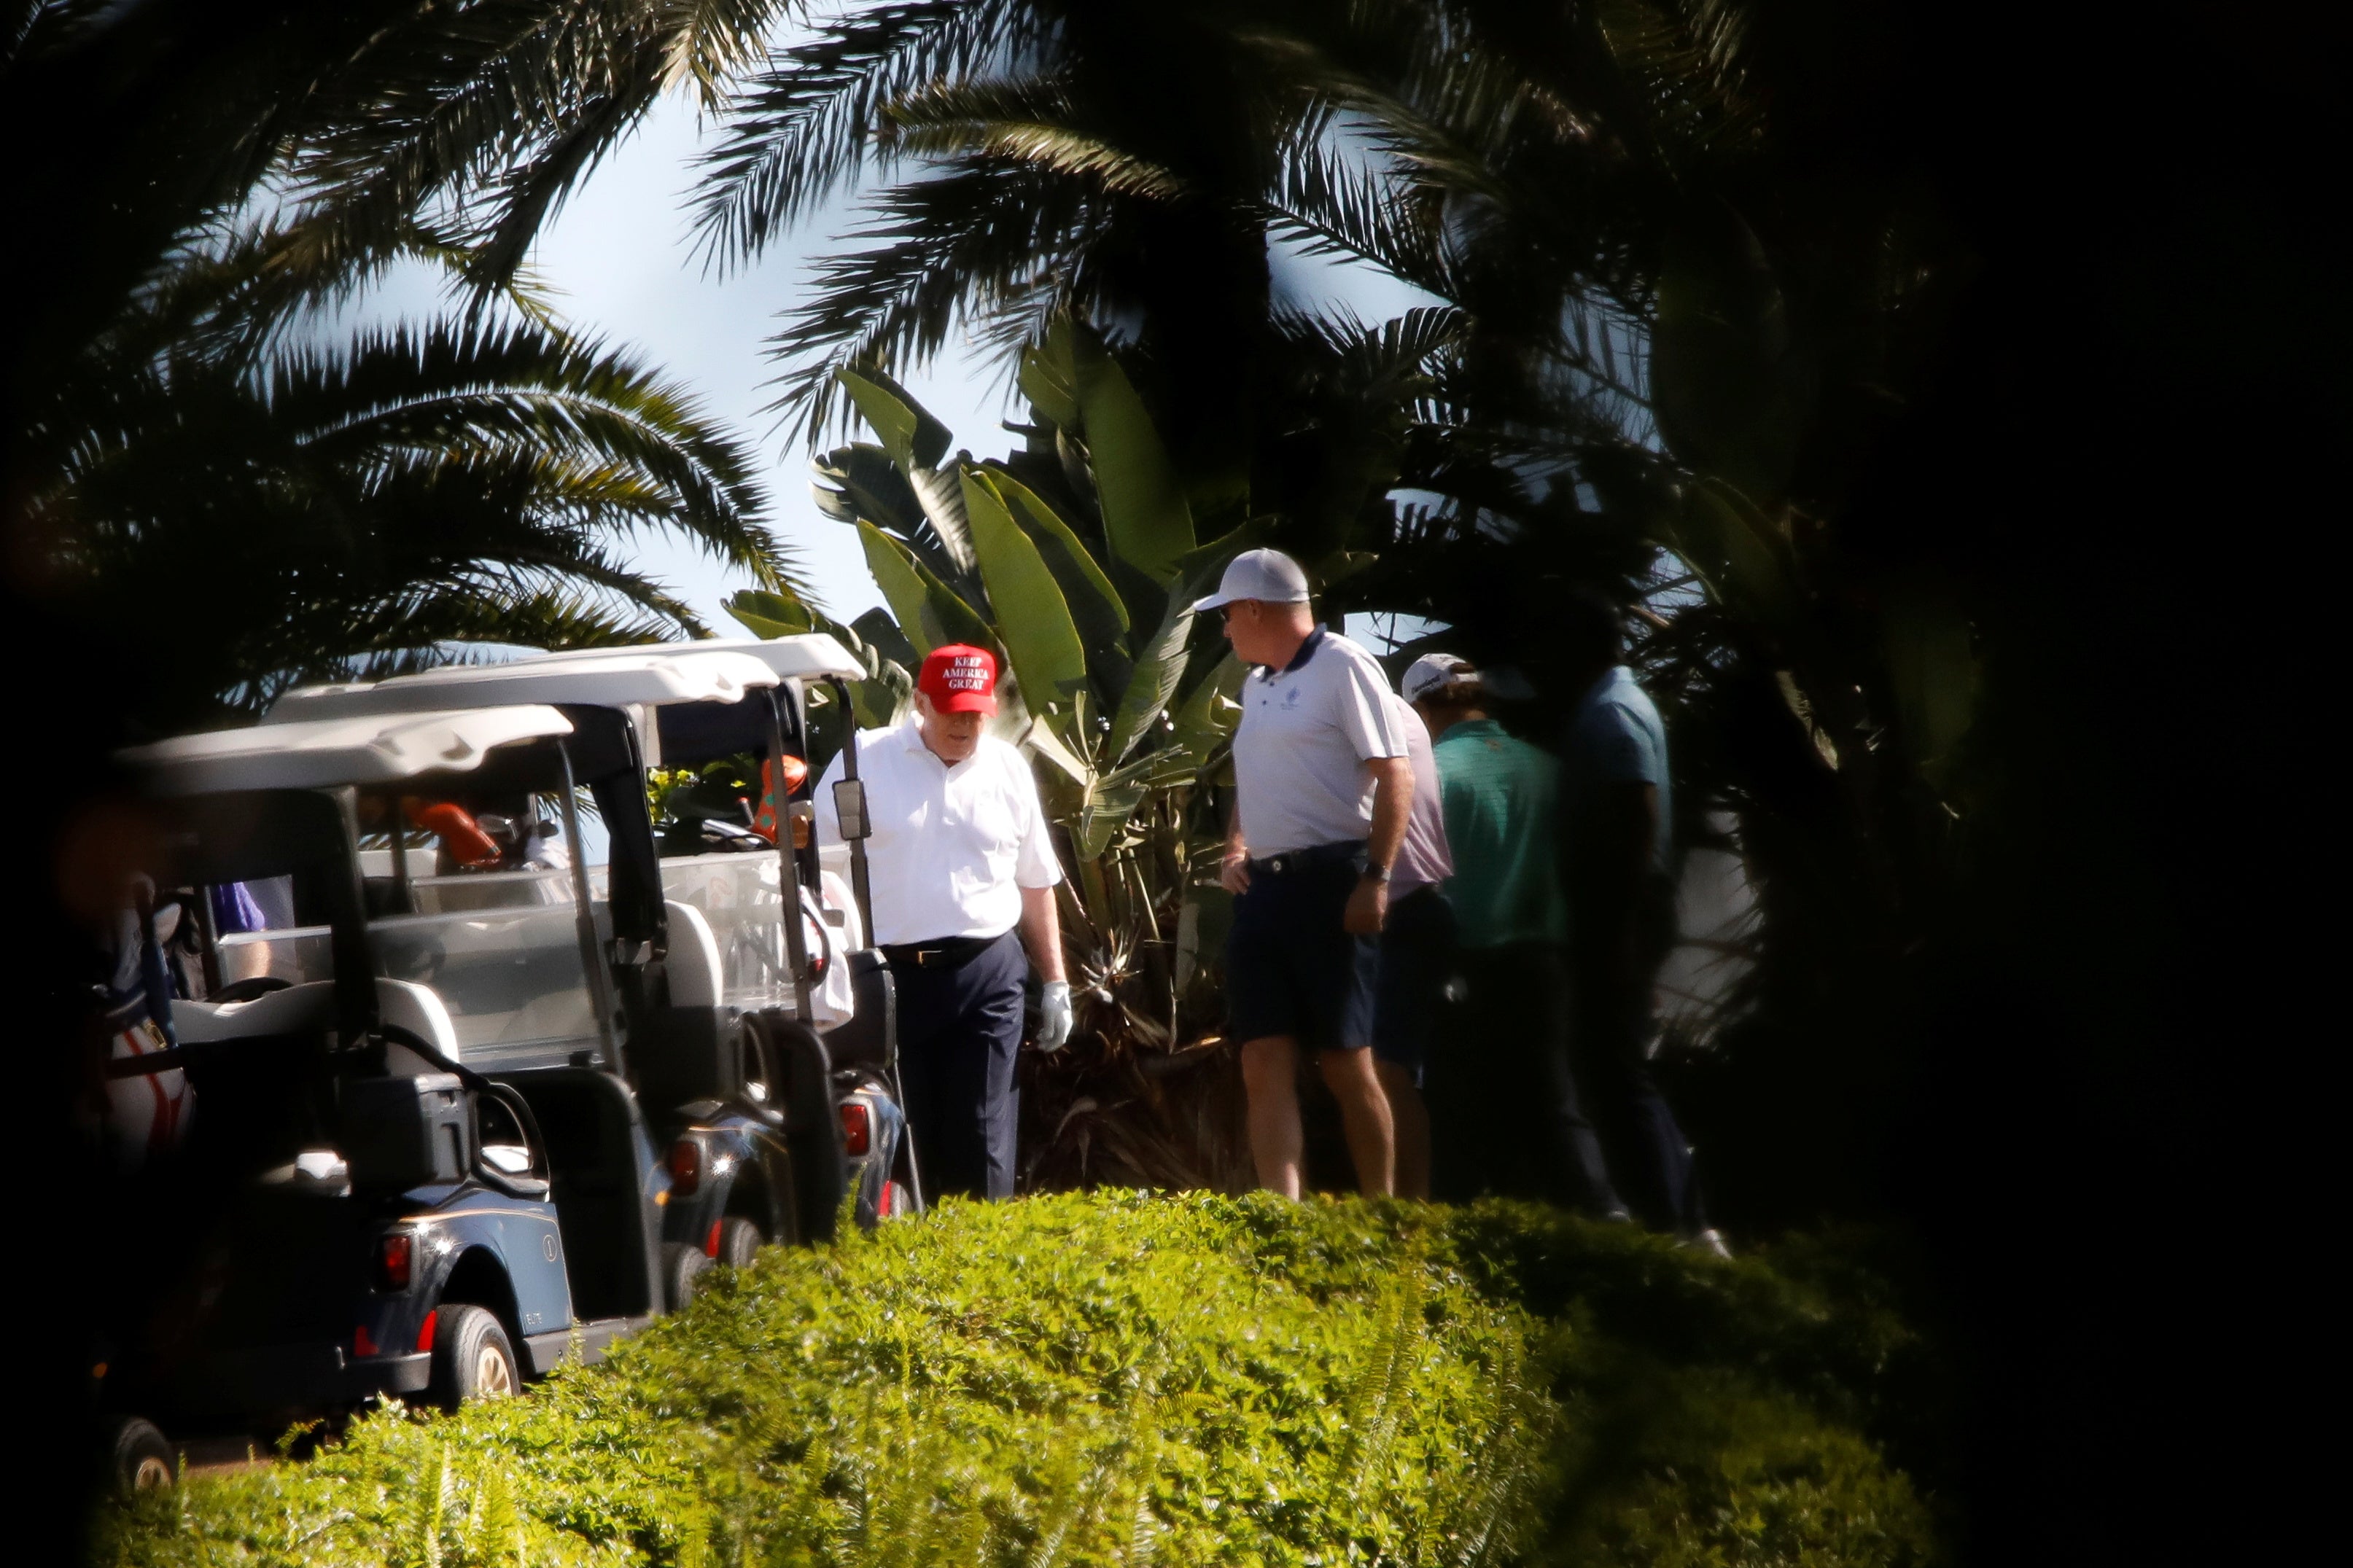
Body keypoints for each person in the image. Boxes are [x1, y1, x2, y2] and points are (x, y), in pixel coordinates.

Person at [814, 644, 1073, 1200]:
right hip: (890, 977)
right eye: (952, 708)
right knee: (908, 1136)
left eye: (976, 711)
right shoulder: (863, 760)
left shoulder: (1007, 769)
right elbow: (818, 870)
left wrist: (1055, 982)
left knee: (984, 1136)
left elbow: (1035, 879)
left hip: (988, 971)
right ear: (921, 702)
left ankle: (986, 1273)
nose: (964, 723)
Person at [1194, 548, 1412, 1198]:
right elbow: (1253, 777)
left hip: (1332, 882)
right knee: (1261, 1056)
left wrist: (1376, 877)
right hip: (1265, 892)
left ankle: (1382, 1214)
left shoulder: (1344, 666)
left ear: (1256, 608)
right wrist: (1236, 847)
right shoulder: (1255, 684)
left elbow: (1393, 771)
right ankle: (1281, 1218)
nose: (1225, 629)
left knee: (1347, 1061)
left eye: (1228, 615)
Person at [1404, 653, 1622, 1214]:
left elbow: (1410, 878)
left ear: (1422, 710)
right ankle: (1600, 1227)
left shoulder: (1431, 775)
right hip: (1546, 962)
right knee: (1553, 1104)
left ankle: (1458, 1252)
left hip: (1462, 969)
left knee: (1457, 1113)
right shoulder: (1548, 767)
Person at [1552, 593, 1727, 1254]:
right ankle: (1682, 1215)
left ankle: (1672, 1223)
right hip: (1622, 903)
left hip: (1617, 903)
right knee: (1617, 1063)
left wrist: (1622, 926)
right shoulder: (1614, 702)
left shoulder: (1613, 710)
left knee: (1615, 1068)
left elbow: (1637, 807)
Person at [1370, 689, 1454, 1199]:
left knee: (1386, 1067)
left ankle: (1408, 1207)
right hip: (1418, 912)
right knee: (1387, 1066)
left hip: (1402, 913)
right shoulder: (1401, 721)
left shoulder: (1385, 726)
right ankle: (1400, 1204)